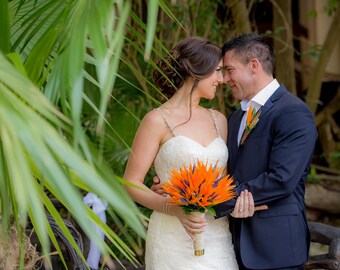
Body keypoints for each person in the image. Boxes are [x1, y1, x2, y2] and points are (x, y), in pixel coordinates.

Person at [152, 32, 317, 270]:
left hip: (276, 247)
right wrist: (177, 187)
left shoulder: (293, 112)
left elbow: (281, 180)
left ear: (253, 66)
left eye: (228, 70)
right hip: (231, 244)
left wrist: (203, 200)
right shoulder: (236, 116)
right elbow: (223, 171)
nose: (225, 78)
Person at [123, 37, 255, 270]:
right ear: (196, 72)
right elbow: (130, 182)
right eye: (216, 71)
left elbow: (223, 182)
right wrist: (172, 207)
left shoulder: (219, 120)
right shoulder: (156, 120)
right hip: (171, 238)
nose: (222, 79)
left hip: (216, 236)